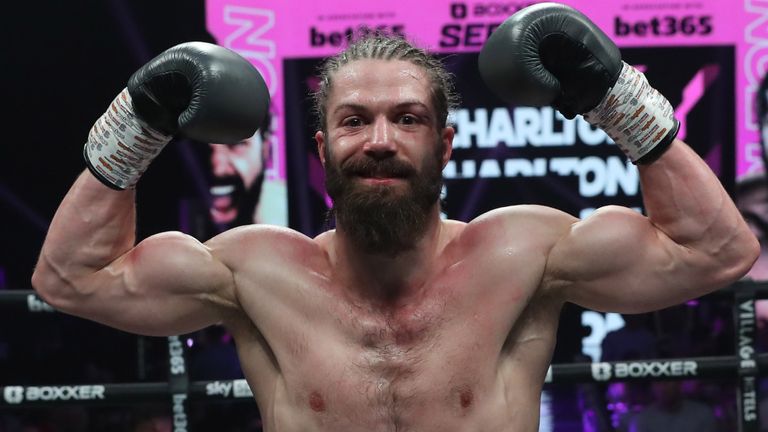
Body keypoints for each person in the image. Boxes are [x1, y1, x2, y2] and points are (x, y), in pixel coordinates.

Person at [31, 4, 758, 431]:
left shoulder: (524, 251)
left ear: (443, 143)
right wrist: (138, 124)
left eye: (405, 118)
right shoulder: (253, 268)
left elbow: (715, 252)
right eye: (355, 121)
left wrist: (614, 94)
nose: (379, 140)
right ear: (322, 148)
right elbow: (71, 279)